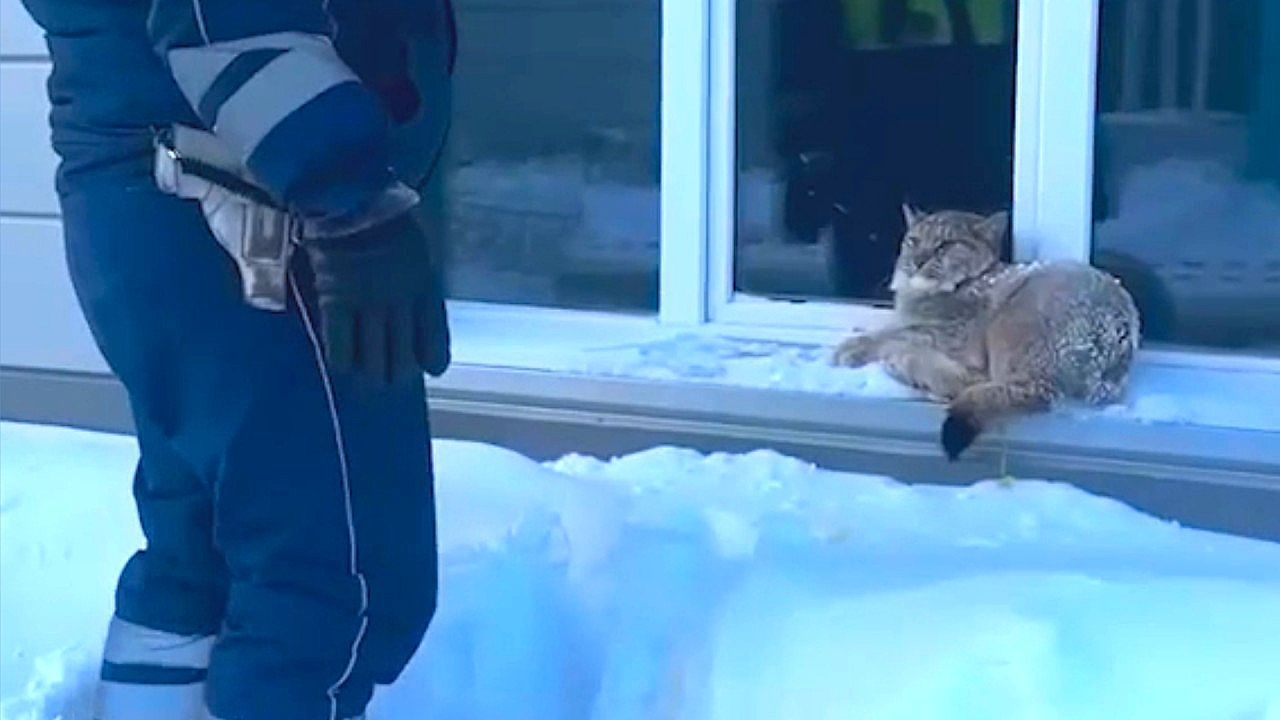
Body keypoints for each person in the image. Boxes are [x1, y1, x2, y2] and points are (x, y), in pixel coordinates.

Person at [17, 1, 457, 718]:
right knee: (327, 584)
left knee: (199, 559)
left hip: (151, 182)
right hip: (249, 203)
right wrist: (351, 205)